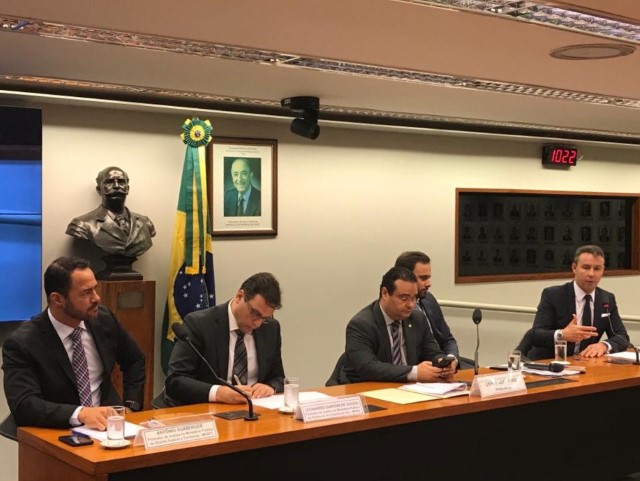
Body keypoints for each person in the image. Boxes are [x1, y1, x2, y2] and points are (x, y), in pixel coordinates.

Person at [2, 257, 145, 433]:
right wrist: (81, 414)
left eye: (95, 289)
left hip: (109, 427)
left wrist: (131, 406)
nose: (96, 298)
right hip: (57, 432)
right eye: (86, 293)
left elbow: (135, 359)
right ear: (57, 299)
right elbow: (24, 404)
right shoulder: (22, 343)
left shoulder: (104, 319)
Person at [165, 272, 285, 405]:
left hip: (254, 409)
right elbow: (176, 380)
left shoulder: (270, 328)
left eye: (265, 318)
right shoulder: (200, 324)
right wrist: (218, 393)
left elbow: (278, 377)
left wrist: (271, 387)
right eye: (255, 313)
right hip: (206, 410)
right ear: (240, 296)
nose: (258, 323)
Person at [339, 266, 453, 383]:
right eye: (404, 298)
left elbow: (432, 352)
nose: (411, 305)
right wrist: (414, 372)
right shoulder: (361, 324)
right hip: (366, 388)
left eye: (414, 298)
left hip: (408, 388)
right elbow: (367, 367)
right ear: (385, 293)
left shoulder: (417, 319)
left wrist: (443, 363)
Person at [529, 245, 629, 360]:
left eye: (597, 269)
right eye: (586, 267)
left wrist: (604, 345)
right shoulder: (553, 295)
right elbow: (536, 335)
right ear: (574, 268)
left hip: (585, 363)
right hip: (550, 362)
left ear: (603, 271)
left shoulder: (606, 299)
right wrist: (562, 334)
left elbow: (622, 337)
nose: (591, 274)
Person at [395, 251, 474, 369]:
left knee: (477, 369)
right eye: (423, 278)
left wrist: (452, 358)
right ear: (405, 277)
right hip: (422, 367)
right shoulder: (397, 309)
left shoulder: (428, 299)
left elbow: (448, 339)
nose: (429, 284)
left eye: (429, 278)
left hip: (442, 361)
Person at [66, 166, 156, 258]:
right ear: (99, 190)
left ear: (127, 189)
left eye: (121, 182)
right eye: (109, 182)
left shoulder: (145, 222)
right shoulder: (81, 224)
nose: (116, 186)